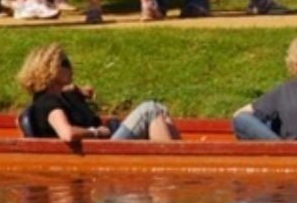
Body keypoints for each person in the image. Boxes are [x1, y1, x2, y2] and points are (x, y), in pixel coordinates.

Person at [16, 43, 179, 141]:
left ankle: (176, 168)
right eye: (65, 63)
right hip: (102, 148)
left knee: (162, 118)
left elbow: (69, 90)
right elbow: (67, 134)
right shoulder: (48, 103)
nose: (71, 67)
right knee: (150, 109)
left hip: (106, 141)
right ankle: (176, 163)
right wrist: (96, 132)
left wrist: (79, 91)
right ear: (49, 70)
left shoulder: (64, 95)